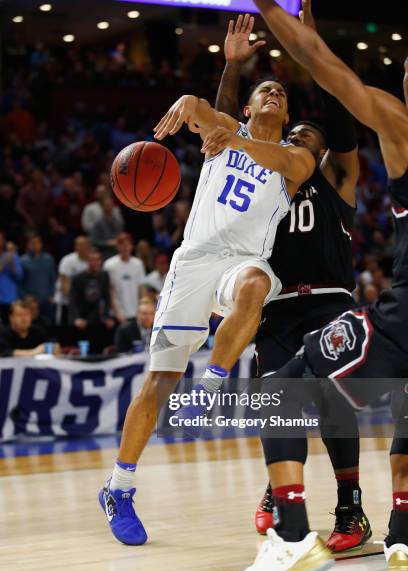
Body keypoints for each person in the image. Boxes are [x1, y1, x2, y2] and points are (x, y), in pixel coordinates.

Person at [228, 0, 408, 571]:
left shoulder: (358, 155)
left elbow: (333, 81)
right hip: (280, 305)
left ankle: (303, 527)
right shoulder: (259, 175)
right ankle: (400, 537)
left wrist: (286, 24)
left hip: (359, 305)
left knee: (289, 393)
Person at [99, 66, 317, 546]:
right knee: (158, 383)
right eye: (265, 90)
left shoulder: (296, 159)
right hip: (193, 263)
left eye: (280, 91)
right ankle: (119, 487)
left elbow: (283, 163)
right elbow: (200, 109)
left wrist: (227, 138)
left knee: (257, 284)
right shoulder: (227, 129)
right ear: (247, 107)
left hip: (242, 262)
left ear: (287, 113)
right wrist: (188, 100)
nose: (274, 93)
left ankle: (212, 384)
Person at [215, 10, 368, 553]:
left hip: (328, 304)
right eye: (293, 133)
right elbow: (224, 127)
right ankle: (281, 493)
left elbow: (342, 127)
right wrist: (233, 71)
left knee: (327, 397)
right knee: (276, 403)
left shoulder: (334, 178)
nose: (299, 135)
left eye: (309, 135)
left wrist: (311, 53)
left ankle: (350, 506)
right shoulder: (263, 177)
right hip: (276, 307)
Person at [68, 250, 115, 354]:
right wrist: (76, 318)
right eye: (92, 260)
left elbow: (107, 297)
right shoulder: (77, 278)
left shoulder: (104, 275)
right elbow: (72, 301)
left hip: (98, 321)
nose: (95, 263)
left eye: (97, 260)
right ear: (87, 262)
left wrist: (107, 316)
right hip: (82, 321)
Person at [104, 233, 146, 324]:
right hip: (117, 315)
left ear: (131, 246)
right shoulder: (109, 264)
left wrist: (142, 309)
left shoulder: (138, 264)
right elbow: (109, 290)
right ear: (117, 246)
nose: (125, 247)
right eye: (122, 245)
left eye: (127, 244)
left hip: (135, 313)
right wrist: (117, 313)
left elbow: (142, 288)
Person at [21, 234, 56, 321]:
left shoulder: (49, 259)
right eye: (32, 243)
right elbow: (19, 282)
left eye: (37, 243)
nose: (35, 245)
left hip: (46, 300)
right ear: (28, 245)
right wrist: (24, 297)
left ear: (41, 244)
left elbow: (53, 278)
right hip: (30, 301)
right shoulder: (22, 261)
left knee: (49, 324)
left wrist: (52, 294)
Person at [89, 194, 124, 260]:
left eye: (111, 205)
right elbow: (93, 241)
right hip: (103, 255)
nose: (109, 207)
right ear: (102, 207)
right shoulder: (98, 223)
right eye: (107, 205)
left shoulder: (118, 222)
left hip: (117, 254)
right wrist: (107, 243)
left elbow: (121, 237)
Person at [0, 233, 23, 325]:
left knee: (9, 326)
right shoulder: (6, 258)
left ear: (3, 241)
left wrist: (12, 264)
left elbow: (19, 277)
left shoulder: (12, 256)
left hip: (9, 298)